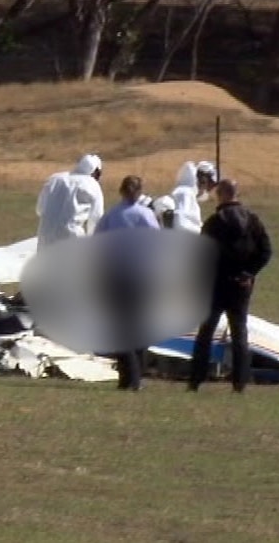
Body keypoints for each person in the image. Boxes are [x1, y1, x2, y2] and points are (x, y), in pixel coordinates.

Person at [188, 178, 272, 393]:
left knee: (206, 332)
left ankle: (196, 379)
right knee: (239, 332)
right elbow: (266, 251)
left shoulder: (215, 222)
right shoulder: (253, 221)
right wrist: (249, 272)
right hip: (241, 285)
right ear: (238, 193)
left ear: (221, 195)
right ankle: (240, 382)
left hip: (216, 285)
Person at [94, 175, 161, 391]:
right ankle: (135, 376)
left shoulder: (111, 216)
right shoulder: (146, 215)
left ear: (122, 191)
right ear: (139, 192)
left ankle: (129, 377)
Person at [35, 154, 104, 250]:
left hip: (45, 240)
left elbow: (40, 209)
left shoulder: (55, 179)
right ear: (96, 172)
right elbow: (96, 220)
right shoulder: (93, 185)